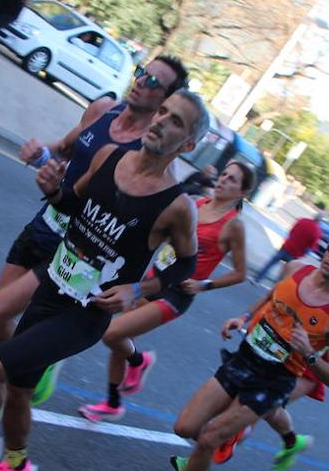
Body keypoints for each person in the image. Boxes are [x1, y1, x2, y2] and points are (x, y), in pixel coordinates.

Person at [0, 92, 210, 471]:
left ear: (187, 145)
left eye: (176, 121)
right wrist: (52, 189)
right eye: (163, 111)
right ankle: (16, 464)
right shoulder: (110, 156)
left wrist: (137, 288)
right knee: (20, 392)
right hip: (52, 284)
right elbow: (72, 202)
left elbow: (186, 264)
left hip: (85, 314)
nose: (162, 121)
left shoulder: (177, 207)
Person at [0, 56, 188, 423]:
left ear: (166, 100)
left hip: (74, 246)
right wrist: (41, 155)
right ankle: (13, 374)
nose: (141, 82)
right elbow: (67, 148)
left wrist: (136, 286)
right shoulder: (103, 110)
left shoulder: (152, 156)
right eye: (141, 72)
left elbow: (144, 229)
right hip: (44, 222)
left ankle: (3, 384)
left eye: (154, 82)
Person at [135, 235, 329, 471]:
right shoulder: (295, 269)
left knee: (208, 438)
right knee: (184, 427)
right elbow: (271, 298)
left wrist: (309, 353)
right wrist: (243, 317)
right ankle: (218, 446)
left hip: (275, 380)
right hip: (245, 359)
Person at [198, 240, 329, 471]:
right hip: (279, 350)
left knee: (259, 406)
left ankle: (208, 451)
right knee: (263, 406)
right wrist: (247, 318)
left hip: (314, 365)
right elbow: (277, 296)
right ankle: (291, 440)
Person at [79, 161, 255, 422]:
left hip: (177, 294)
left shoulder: (233, 226)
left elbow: (240, 273)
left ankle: (139, 362)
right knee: (118, 337)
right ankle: (113, 403)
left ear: (242, 192)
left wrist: (203, 285)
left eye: (232, 180)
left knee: (112, 333)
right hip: (153, 280)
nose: (223, 180)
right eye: (224, 174)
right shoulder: (194, 205)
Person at [252, 217, 321, 285]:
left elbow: (291, 231)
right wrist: (302, 254)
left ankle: (258, 279)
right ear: (319, 222)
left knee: (271, 263)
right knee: (285, 273)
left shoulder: (303, 220)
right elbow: (311, 247)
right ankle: (276, 289)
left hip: (287, 247)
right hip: (295, 254)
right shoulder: (317, 232)